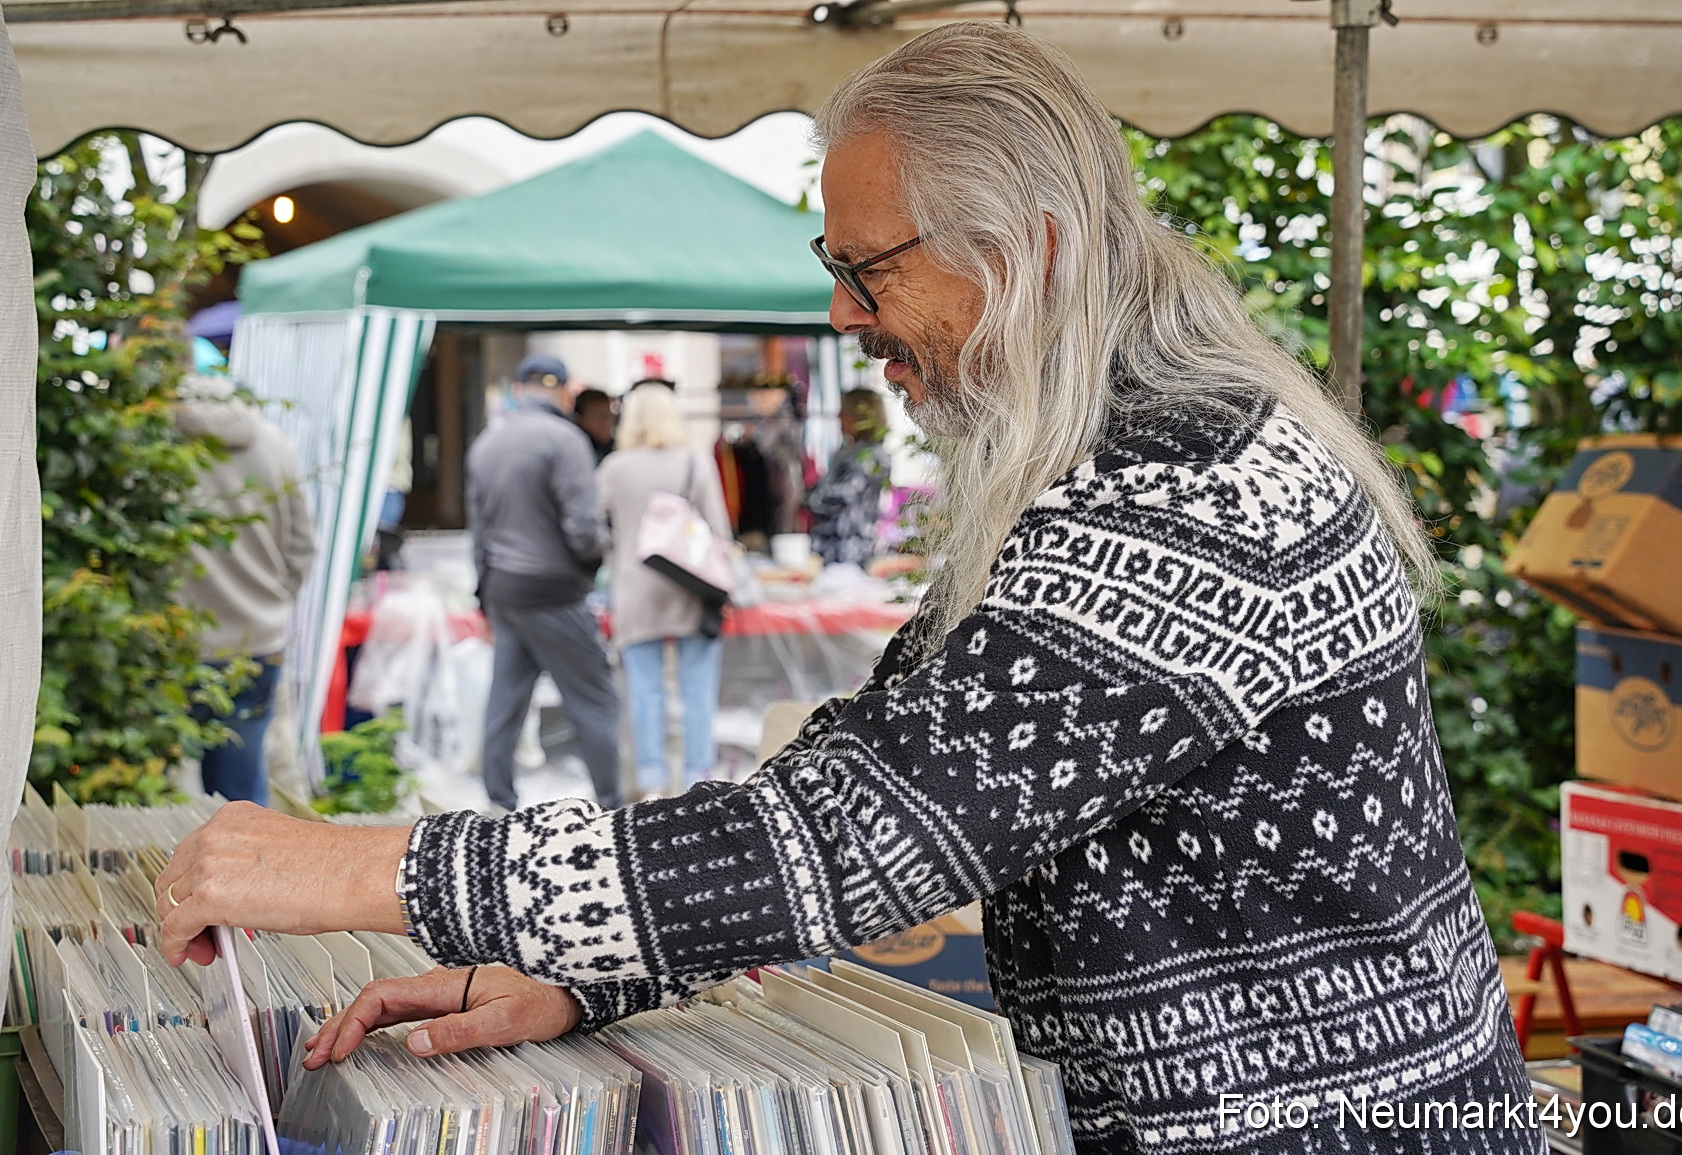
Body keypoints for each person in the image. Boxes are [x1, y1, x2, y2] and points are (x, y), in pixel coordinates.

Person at [154, 25, 1540, 1155]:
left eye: (869, 269)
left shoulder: (1189, 490)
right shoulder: (1101, 451)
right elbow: (878, 764)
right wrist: (587, 972)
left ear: (1031, 250)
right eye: (837, 268)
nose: (843, 316)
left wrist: (364, 867)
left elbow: (860, 834)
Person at [465, 354, 621, 812]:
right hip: (554, 590)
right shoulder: (565, 440)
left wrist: (484, 598)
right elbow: (584, 529)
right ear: (564, 393)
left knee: (506, 703)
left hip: (504, 590)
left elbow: (479, 536)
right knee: (595, 699)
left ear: (518, 390)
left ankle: (498, 803)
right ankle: (613, 808)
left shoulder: (487, 444)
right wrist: (592, 566)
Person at [174, 375, 315, 805]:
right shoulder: (274, 443)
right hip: (257, 639)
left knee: (159, 799)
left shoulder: (159, 447)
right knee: (242, 791)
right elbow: (303, 545)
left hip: (175, 642)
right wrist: (273, 601)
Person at [594, 384, 732, 799]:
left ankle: (652, 782)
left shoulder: (613, 468)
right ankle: (698, 780)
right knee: (697, 691)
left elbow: (592, 529)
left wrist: (618, 548)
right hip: (692, 588)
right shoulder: (694, 462)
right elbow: (720, 532)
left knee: (644, 691)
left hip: (634, 591)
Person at [807, 388, 891, 568]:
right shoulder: (848, 452)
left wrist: (810, 495)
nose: (838, 417)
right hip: (832, 550)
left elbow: (835, 497)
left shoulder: (870, 456)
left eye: (843, 412)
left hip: (849, 553)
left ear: (858, 417)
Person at [571, 388, 617, 465]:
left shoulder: (616, 451)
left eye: (611, 417)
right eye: (600, 417)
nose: (608, 423)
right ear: (581, 419)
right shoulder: (573, 450)